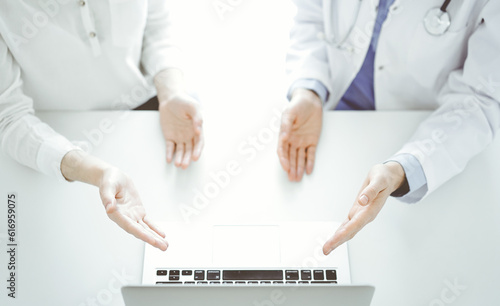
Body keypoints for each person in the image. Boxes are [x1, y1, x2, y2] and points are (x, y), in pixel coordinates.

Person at [279, 0, 500, 255]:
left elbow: (482, 97)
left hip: (422, 135)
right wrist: (308, 89)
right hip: (333, 118)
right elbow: (311, 16)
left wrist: (406, 169)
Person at [0, 1, 204, 251]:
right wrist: (96, 172)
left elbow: (157, 27)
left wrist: (171, 91)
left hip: (151, 117)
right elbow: (8, 116)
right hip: (55, 146)